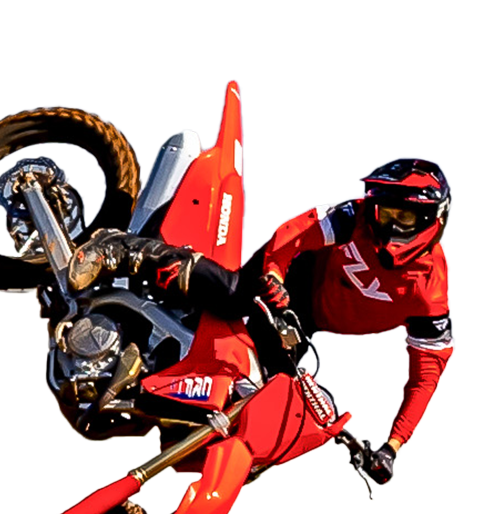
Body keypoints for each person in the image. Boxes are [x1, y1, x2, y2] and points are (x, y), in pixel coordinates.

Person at [68, 157, 454, 488]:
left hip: (303, 322)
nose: (387, 226)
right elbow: (293, 235)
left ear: (433, 219)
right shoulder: (356, 216)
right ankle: (123, 249)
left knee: (265, 400)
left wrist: (393, 446)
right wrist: (274, 275)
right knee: (237, 296)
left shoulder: (430, 294)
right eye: (385, 212)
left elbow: (425, 378)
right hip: (289, 274)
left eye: (403, 216)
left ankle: (151, 395)